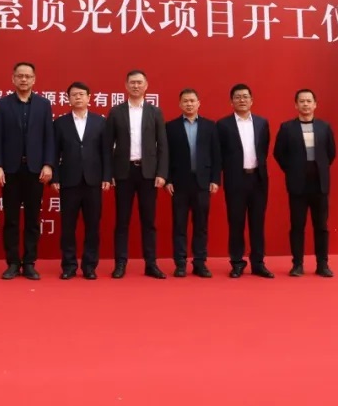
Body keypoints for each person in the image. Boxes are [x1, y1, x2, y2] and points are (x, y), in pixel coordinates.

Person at [0, 62, 56, 280]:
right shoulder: (2, 104)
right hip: (10, 170)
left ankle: (29, 263)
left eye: (28, 76)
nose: (24, 79)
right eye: (20, 76)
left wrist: (48, 164)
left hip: (35, 170)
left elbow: (49, 136)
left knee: (32, 219)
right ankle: (12, 263)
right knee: (10, 219)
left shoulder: (44, 105)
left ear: (34, 79)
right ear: (13, 79)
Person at [104, 70, 168, 279]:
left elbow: (163, 145)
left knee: (149, 221)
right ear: (126, 85)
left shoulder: (154, 112)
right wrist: (109, 173)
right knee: (122, 221)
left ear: (146, 85)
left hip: (148, 173)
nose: (136, 86)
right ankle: (120, 263)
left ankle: (151, 263)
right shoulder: (116, 112)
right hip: (123, 172)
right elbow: (107, 146)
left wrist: (162, 173)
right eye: (132, 82)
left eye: (140, 82)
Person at [273, 89, 337, 278]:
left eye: (309, 101)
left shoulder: (324, 127)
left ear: (315, 104)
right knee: (297, 226)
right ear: (296, 105)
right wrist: (292, 170)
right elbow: (279, 153)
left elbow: (331, 153)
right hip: (297, 185)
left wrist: (319, 168)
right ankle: (297, 264)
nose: (306, 104)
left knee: (321, 226)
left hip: (319, 184)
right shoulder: (287, 128)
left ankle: (322, 264)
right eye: (302, 101)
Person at [51, 82, 109, 280]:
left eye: (81, 94)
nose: (78, 97)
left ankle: (89, 266)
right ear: (68, 99)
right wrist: (55, 177)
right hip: (69, 181)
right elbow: (54, 153)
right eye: (74, 95)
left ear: (89, 97)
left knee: (93, 226)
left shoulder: (100, 122)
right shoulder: (60, 123)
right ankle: (69, 265)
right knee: (68, 227)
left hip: (93, 181)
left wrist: (106, 176)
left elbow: (106, 152)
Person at [217, 84, 273, 279]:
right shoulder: (223, 125)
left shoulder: (262, 123)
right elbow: (220, 154)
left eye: (245, 96)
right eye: (238, 97)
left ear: (252, 100)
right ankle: (237, 263)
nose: (242, 100)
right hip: (235, 179)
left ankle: (258, 263)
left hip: (258, 179)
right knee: (236, 223)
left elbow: (264, 149)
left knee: (258, 223)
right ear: (231, 101)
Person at [165, 88, 221, 278]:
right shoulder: (170, 127)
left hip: (202, 182)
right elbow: (166, 156)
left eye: (192, 101)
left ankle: (200, 263)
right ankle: (180, 263)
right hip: (179, 183)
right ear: (180, 104)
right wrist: (167, 180)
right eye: (185, 101)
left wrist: (215, 179)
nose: (189, 104)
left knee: (201, 225)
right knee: (179, 225)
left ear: (198, 103)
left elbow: (216, 155)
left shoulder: (210, 126)